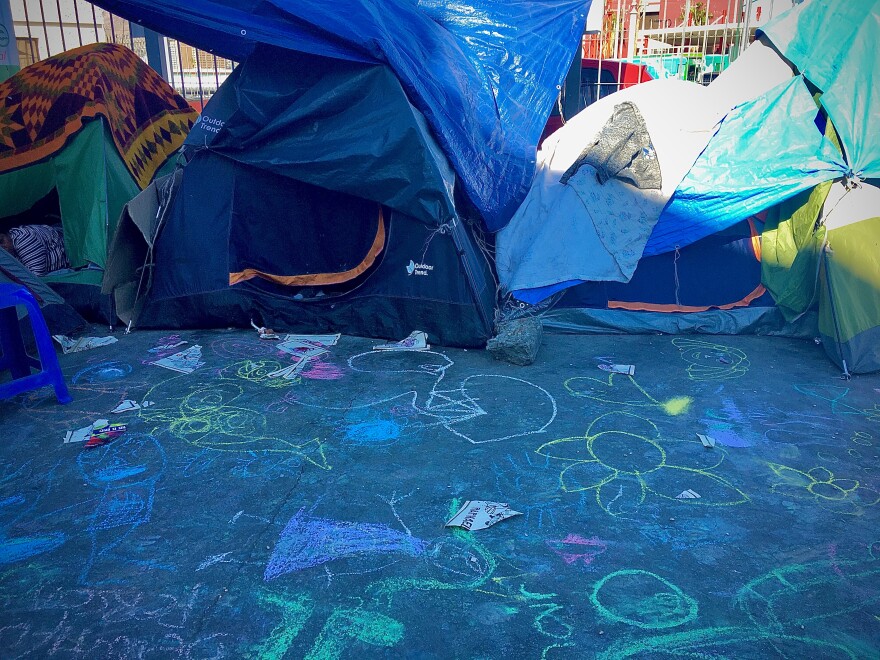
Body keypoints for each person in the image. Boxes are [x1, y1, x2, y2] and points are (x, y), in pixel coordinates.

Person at [0, 224, 69, 277]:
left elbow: (37, 276)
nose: (3, 248)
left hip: (68, 256)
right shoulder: (8, 251)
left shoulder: (24, 240)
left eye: (1, 241)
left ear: (7, 233)